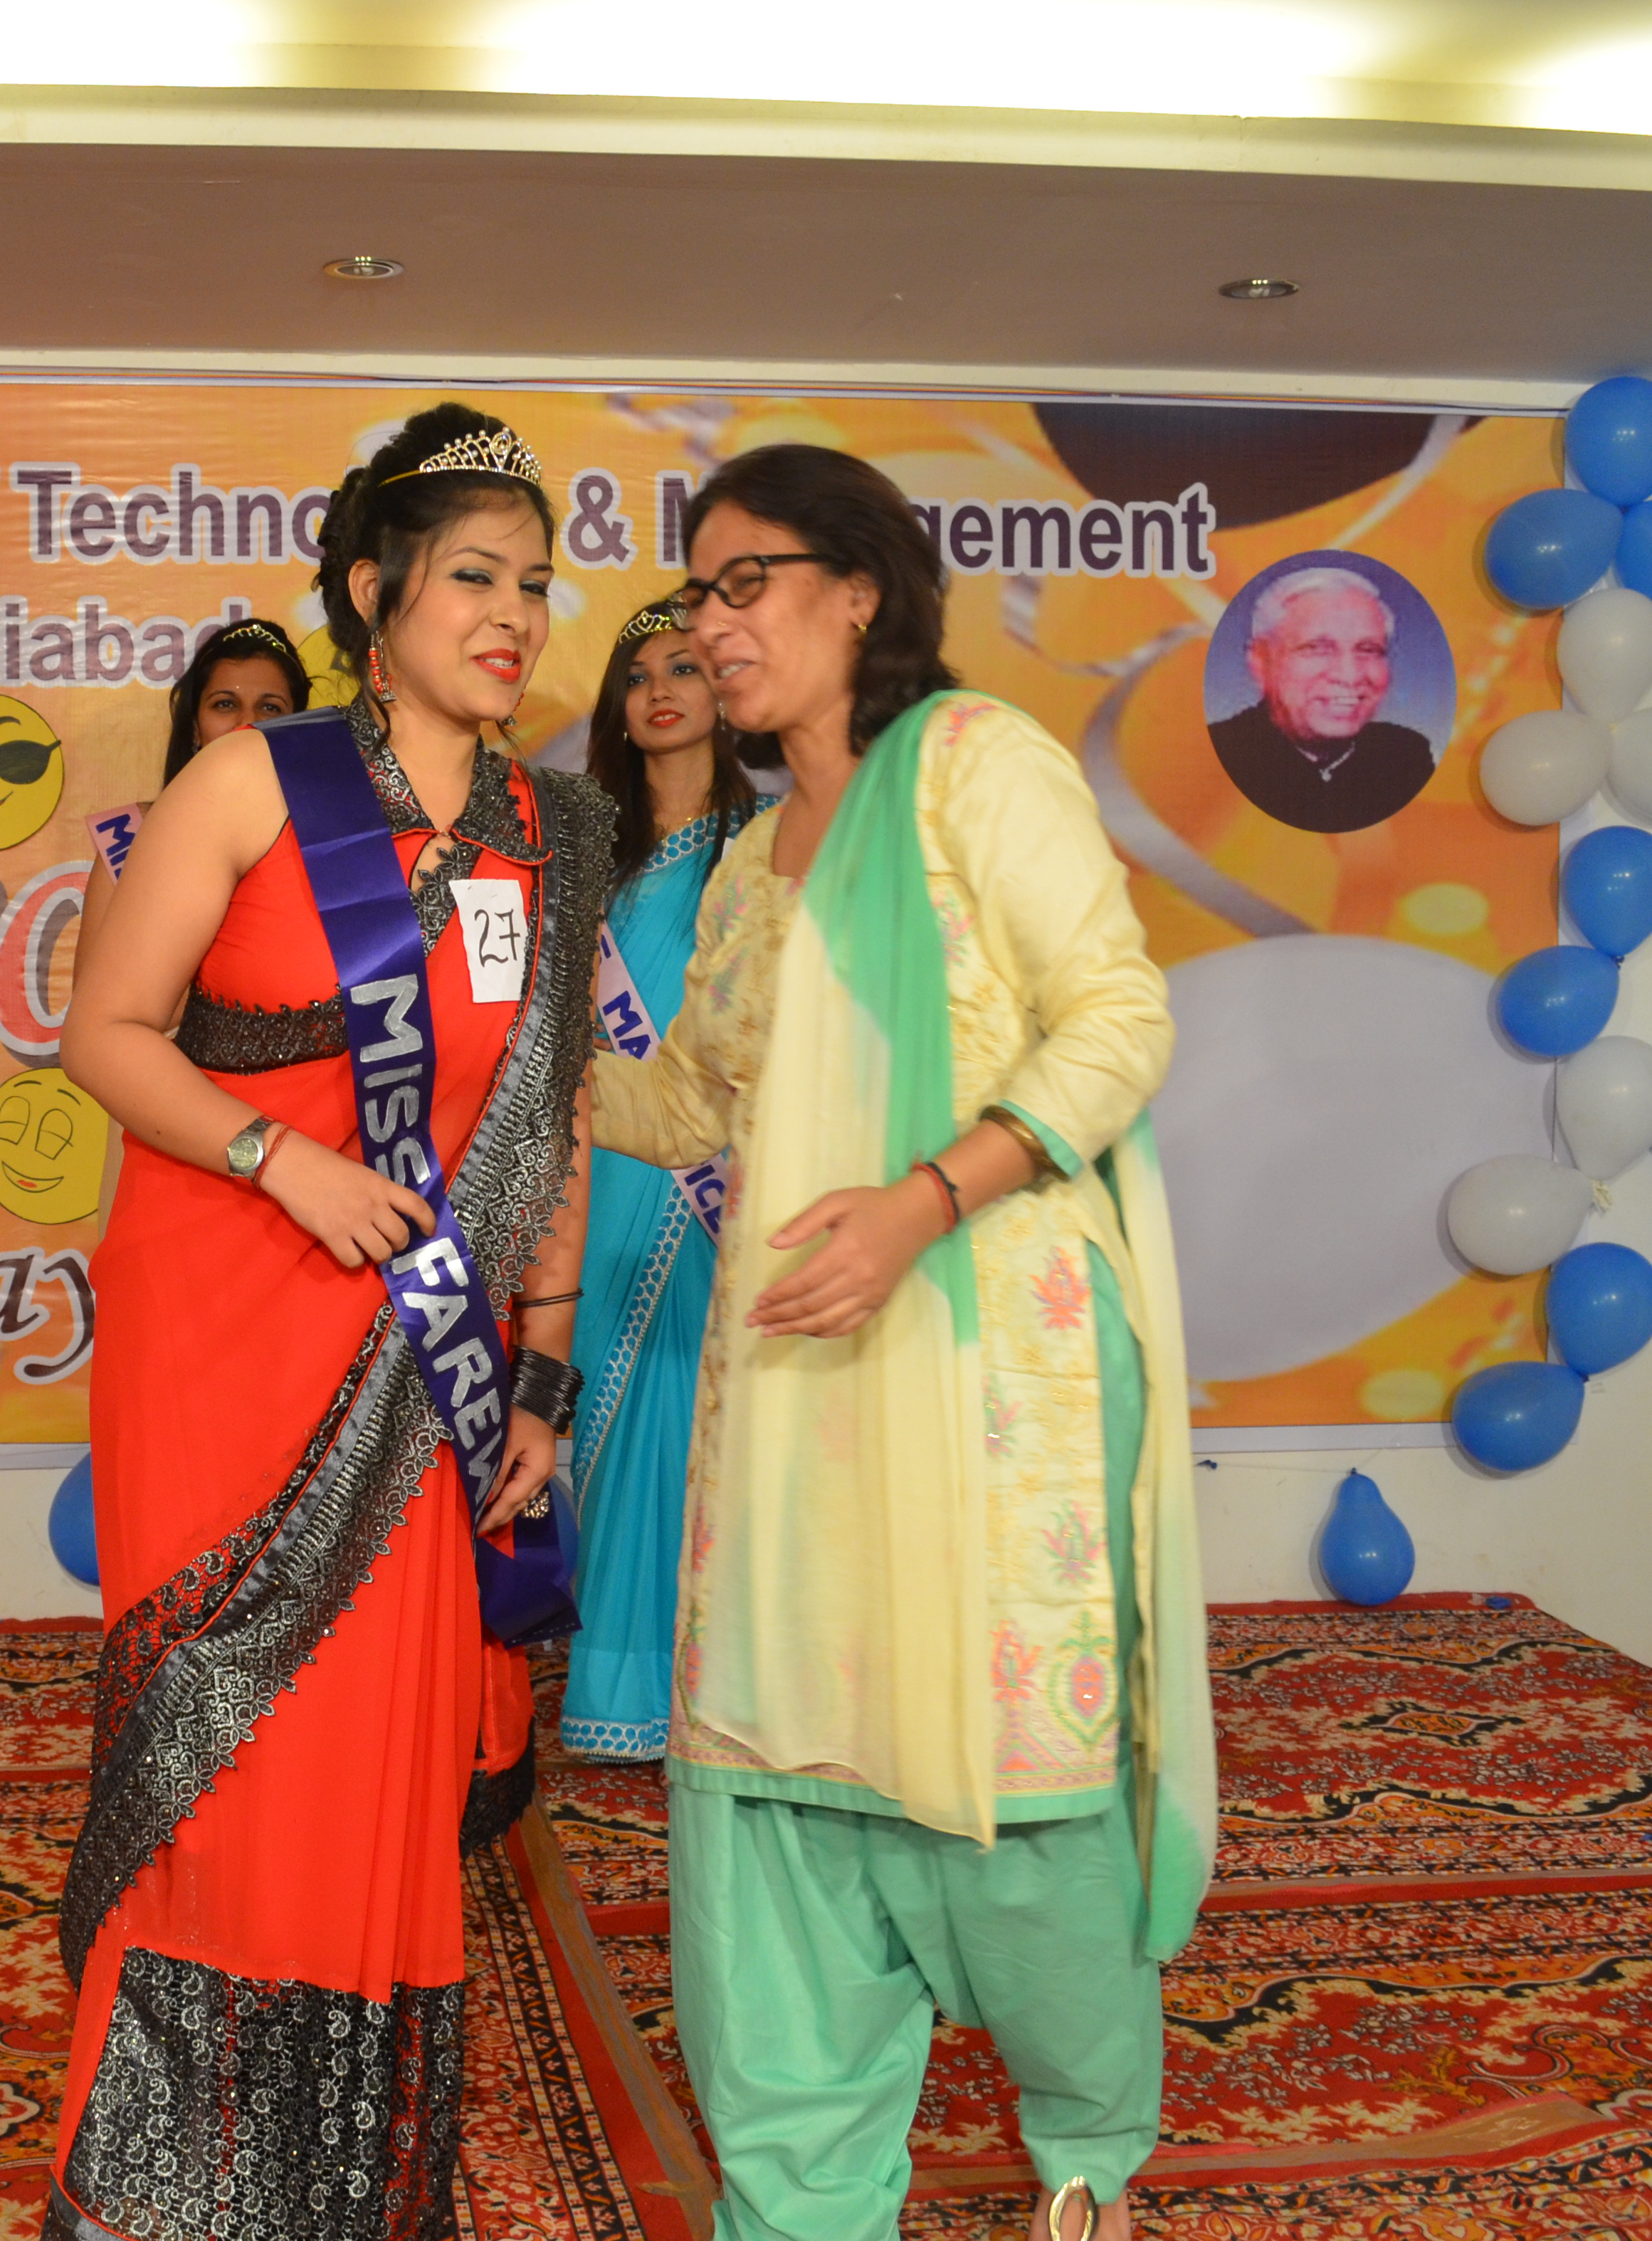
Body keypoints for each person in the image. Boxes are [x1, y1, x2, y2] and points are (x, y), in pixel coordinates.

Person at [591, 446, 1214, 2241]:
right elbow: (693, 1100)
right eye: (695, 593)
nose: (712, 626)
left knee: (1014, 1795)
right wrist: (501, 1062)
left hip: (991, 1378)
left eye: (746, 582)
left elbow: (1117, 1021)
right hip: (794, 1395)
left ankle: (1085, 2160)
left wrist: (924, 1201)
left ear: (859, 589)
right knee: (779, 1780)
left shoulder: (975, 767)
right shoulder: (747, 861)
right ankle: (803, 2198)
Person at [49, 404, 609, 2239]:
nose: (514, 615)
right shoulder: (251, 782)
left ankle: (332, 2186)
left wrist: (539, 1373)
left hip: (422, 1355)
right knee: (223, 1749)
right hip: (224, 1321)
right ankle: (162, 2183)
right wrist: (277, 1159)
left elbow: (548, 1131)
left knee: (372, 1764)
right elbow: (106, 1034)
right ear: (376, 592)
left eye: (536, 583)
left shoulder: (554, 833)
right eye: (475, 577)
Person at [562, 597, 763, 1763]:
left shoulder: (770, 845)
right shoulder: (583, 857)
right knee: (607, 1407)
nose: (659, 691)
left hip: (723, 1177)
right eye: (637, 676)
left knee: (703, 1421)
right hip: (605, 1172)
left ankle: (711, 1688)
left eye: (683, 667)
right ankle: (619, 1683)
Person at [73, 614, 311, 957]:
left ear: (300, 728)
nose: (247, 723)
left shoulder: (324, 841)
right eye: (225, 704)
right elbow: (96, 989)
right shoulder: (130, 836)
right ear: (196, 729)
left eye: (270, 708)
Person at [1206, 563, 1433, 833]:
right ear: (1260, 663)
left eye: (1368, 650)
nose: (1350, 675)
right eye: (1316, 648)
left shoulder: (1405, 756)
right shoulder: (1217, 757)